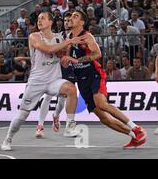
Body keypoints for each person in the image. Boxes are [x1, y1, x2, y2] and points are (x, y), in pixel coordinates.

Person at [62, 11, 147, 148]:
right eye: (71, 16)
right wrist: (66, 61)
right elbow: (68, 57)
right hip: (81, 79)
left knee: (101, 103)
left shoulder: (86, 36)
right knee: (103, 117)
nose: (71, 18)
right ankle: (134, 135)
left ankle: (136, 127)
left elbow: (97, 54)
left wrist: (75, 60)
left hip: (94, 74)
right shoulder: (69, 37)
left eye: (75, 16)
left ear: (82, 22)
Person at [1, 12, 80, 151]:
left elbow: (63, 61)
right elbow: (48, 49)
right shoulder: (34, 36)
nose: (39, 21)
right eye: (38, 19)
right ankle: (8, 138)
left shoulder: (58, 38)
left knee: (71, 89)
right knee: (22, 116)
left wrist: (67, 58)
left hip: (53, 80)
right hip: (36, 82)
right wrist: (68, 41)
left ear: (50, 22)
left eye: (42, 18)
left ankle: (69, 126)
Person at [35, 11, 76, 138]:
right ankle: (40, 126)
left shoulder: (78, 36)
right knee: (47, 97)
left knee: (62, 99)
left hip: (69, 69)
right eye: (65, 21)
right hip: (55, 69)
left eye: (69, 21)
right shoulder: (58, 36)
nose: (66, 23)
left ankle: (56, 115)